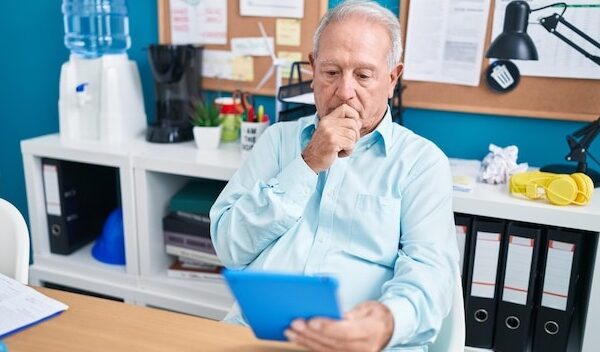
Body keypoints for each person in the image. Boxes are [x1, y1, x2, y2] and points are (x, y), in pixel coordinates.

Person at [210, 0, 459, 350]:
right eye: (331, 73)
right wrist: (307, 163)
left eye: (363, 75)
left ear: (392, 79)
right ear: (313, 70)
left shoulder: (422, 162)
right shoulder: (277, 141)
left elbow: (430, 274)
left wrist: (385, 324)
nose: (344, 91)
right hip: (256, 335)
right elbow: (228, 247)